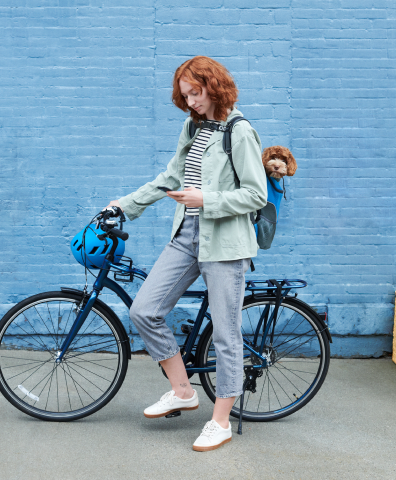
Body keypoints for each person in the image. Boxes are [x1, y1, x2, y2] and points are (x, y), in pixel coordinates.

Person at [104, 56, 267, 452]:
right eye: (185, 95)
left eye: (196, 92)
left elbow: (256, 193)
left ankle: (220, 422)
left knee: (226, 335)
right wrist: (125, 204)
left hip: (225, 242)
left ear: (214, 85)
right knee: (144, 309)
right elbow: (171, 177)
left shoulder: (239, 132)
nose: (191, 101)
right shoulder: (192, 126)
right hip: (187, 234)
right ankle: (182, 390)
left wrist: (206, 198)